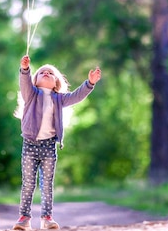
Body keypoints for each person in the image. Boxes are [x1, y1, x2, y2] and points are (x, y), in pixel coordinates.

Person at [13, 55, 101, 230]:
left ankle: (47, 218)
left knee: (47, 184)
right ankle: (24, 218)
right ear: (35, 80)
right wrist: (25, 70)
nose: (46, 73)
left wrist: (89, 83)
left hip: (49, 146)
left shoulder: (59, 99)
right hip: (30, 144)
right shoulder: (31, 94)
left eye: (50, 73)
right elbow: (24, 83)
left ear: (56, 83)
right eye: (42, 72)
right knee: (28, 183)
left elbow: (77, 96)